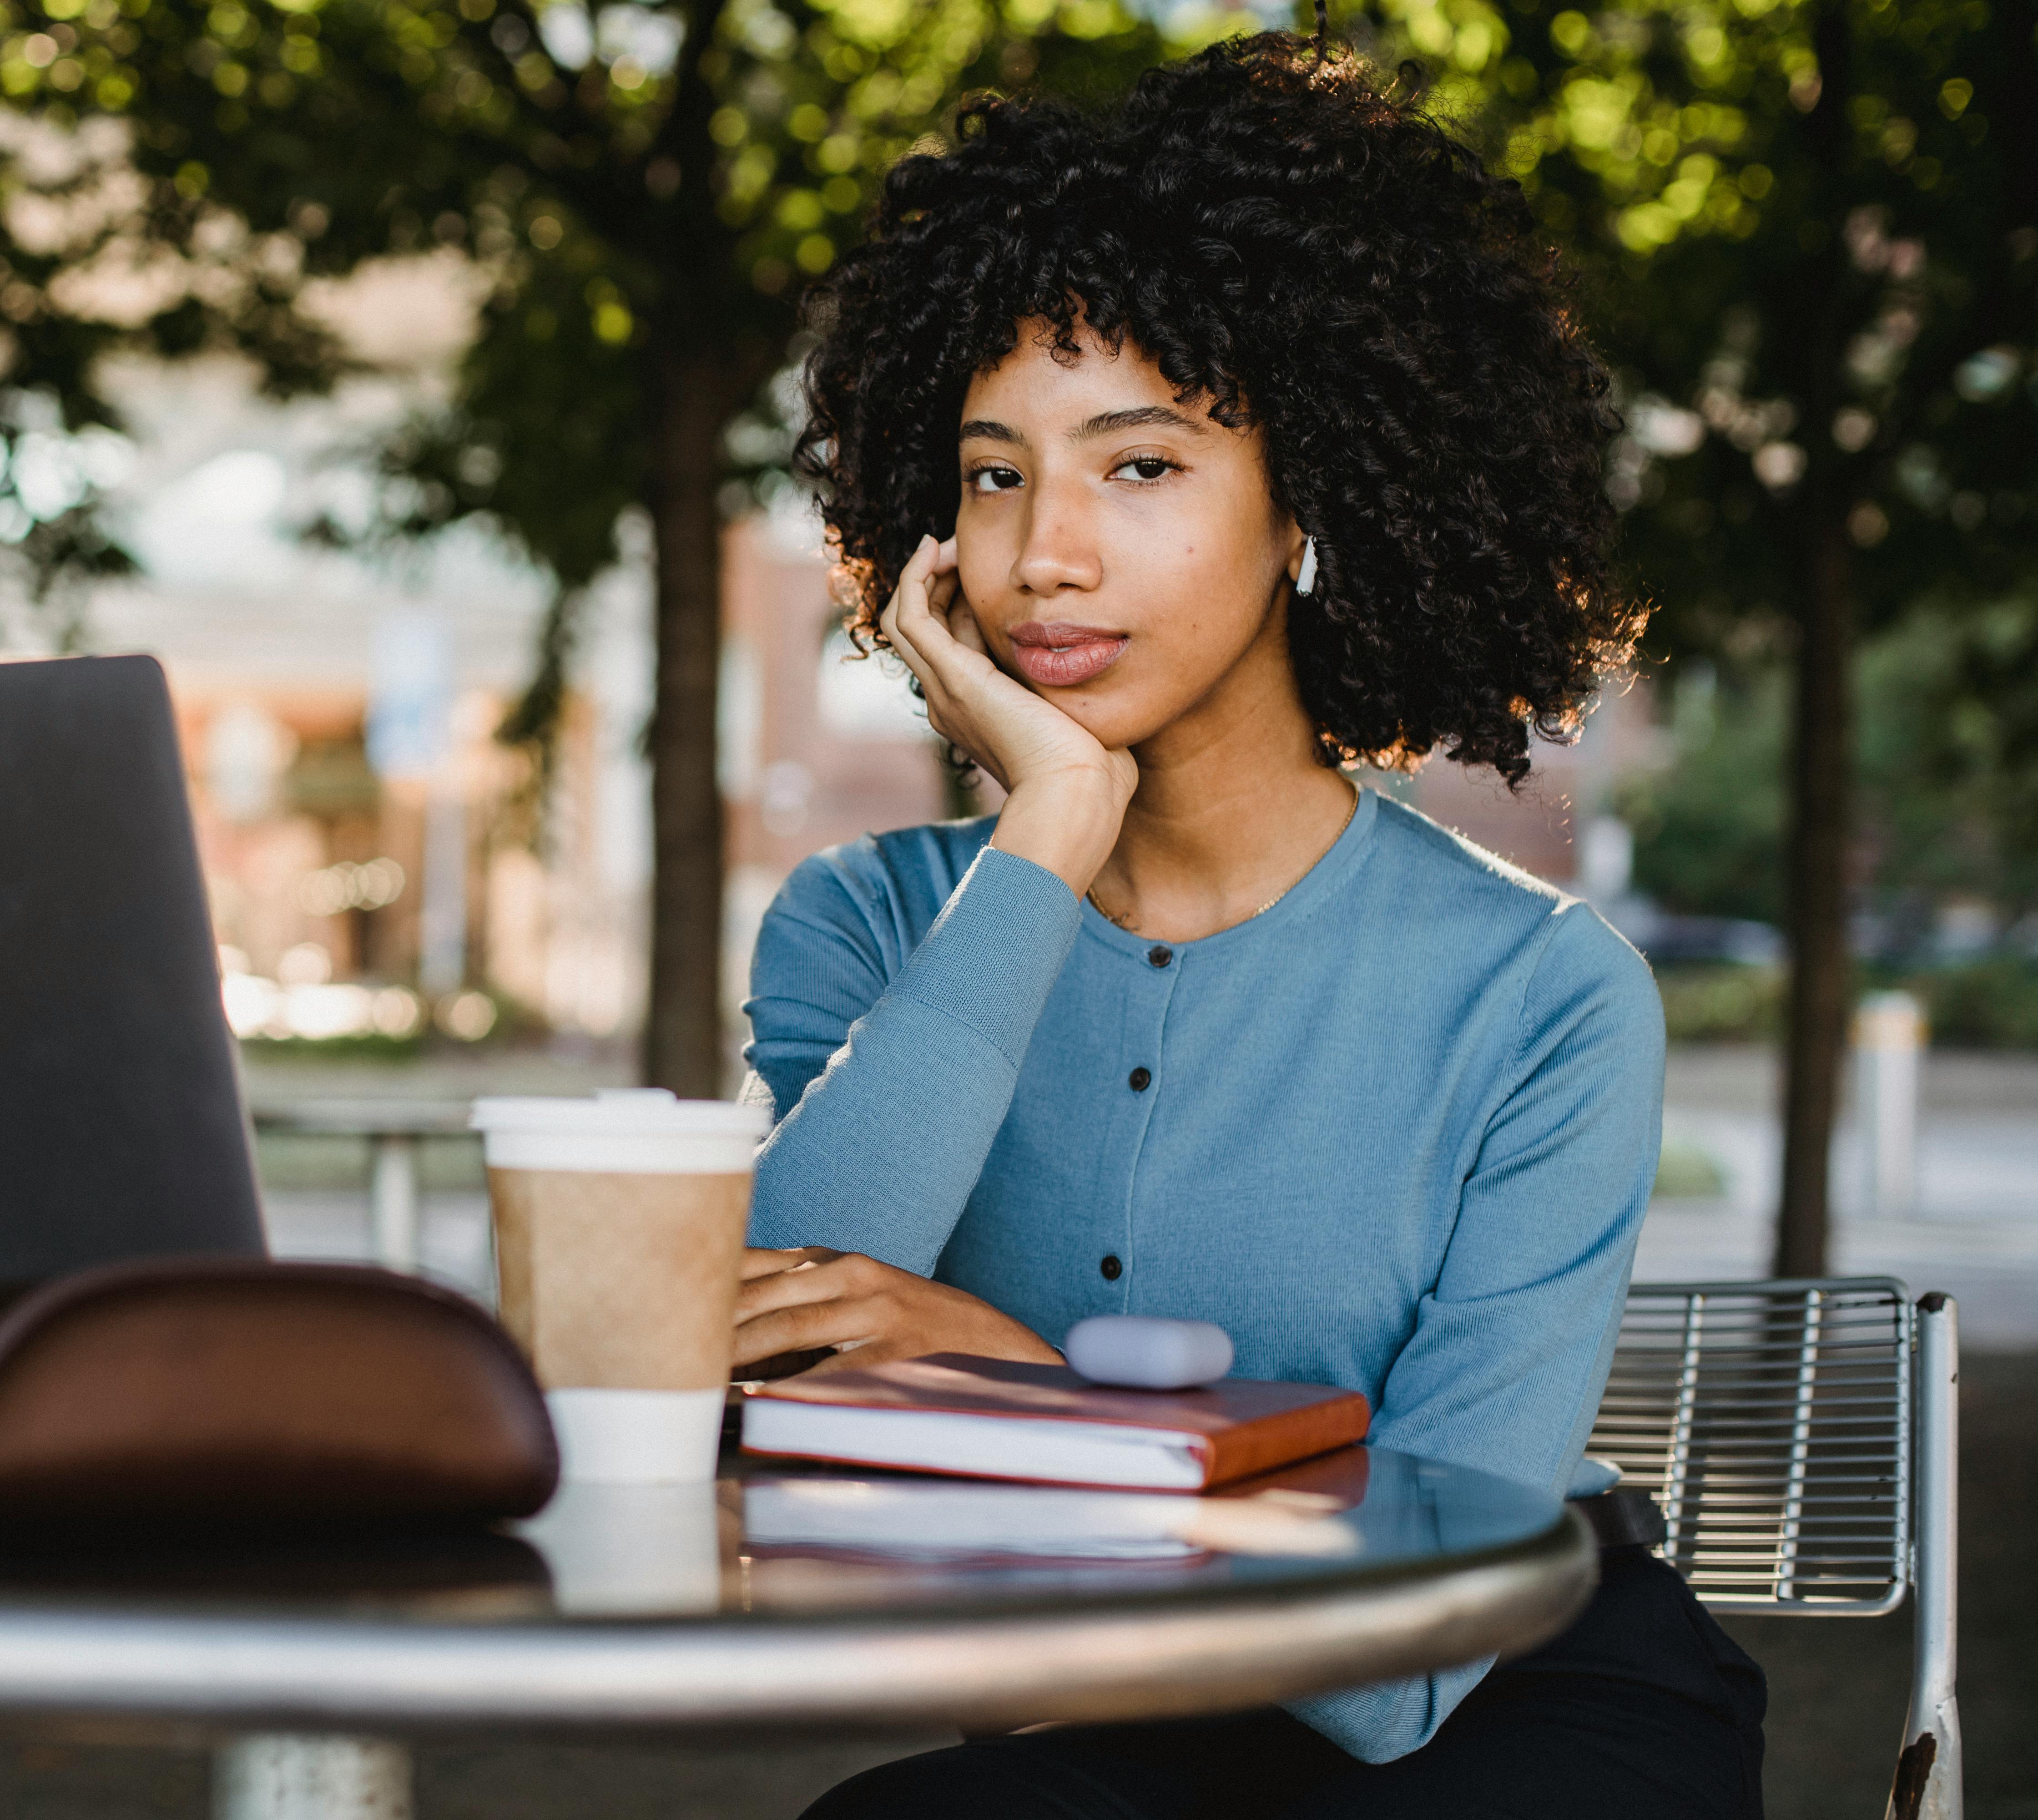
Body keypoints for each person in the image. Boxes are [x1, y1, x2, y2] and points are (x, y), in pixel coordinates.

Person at [728, 29, 1766, 1820]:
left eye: (1140, 467)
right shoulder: (864, 926)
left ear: (1306, 503)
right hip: (1107, 1703)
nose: (1047, 550)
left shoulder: (1542, 997)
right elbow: (761, 1370)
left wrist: (1018, 1382)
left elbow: (1397, 1683)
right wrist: (1049, 830)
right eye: (992, 475)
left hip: (1517, 1700)